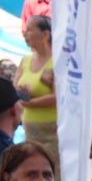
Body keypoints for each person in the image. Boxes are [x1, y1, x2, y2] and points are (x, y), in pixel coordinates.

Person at [13, 15, 56, 166]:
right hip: (30, 129)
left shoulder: (57, 61)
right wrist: (22, 94)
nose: (26, 34)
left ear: (45, 34)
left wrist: (31, 102)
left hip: (53, 129)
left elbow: (59, 97)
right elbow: (14, 88)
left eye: (30, 30)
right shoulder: (25, 60)